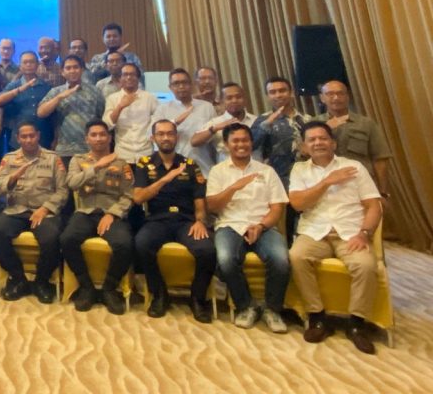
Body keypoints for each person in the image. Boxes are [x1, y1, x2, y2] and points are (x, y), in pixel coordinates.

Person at [288, 121, 383, 354]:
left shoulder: (355, 167)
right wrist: (327, 181)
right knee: (296, 256)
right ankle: (317, 317)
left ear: (333, 143)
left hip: (350, 233)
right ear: (304, 147)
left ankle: (356, 323)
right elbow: (298, 204)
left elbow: (374, 206)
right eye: (312, 140)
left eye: (322, 138)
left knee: (365, 265)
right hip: (314, 232)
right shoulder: (299, 170)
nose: (318, 143)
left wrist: (364, 233)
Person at [206, 123, 289, 333]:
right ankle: (246, 306)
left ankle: (272, 309)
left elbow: (277, 207)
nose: (241, 144)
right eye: (235, 141)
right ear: (226, 145)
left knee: (281, 260)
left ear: (252, 143)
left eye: (245, 140)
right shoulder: (217, 171)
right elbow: (213, 207)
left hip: (263, 225)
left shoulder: (266, 171)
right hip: (229, 225)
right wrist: (234, 187)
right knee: (225, 259)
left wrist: (261, 226)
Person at [133, 119, 216, 323]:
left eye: (170, 133)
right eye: (160, 134)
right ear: (153, 138)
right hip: (157, 220)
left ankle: (197, 298)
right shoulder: (144, 164)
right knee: (141, 244)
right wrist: (165, 179)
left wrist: (200, 221)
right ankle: (160, 295)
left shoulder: (190, 165)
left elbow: (199, 200)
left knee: (207, 249)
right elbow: (138, 198)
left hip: (186, 221)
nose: (166, 138)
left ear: (176, 137)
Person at [60, 120, 134, 314]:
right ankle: (86, 287)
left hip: (112, 214)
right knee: (67, 239)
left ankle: (109, 288)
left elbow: (129, 195)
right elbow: (71, 183)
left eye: (102, 134)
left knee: (125, 244)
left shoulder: (121, 163)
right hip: (85, 212)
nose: (99, 138)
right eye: (94, 135)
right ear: (87, 139)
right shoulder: (77, 160)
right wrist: (96, 167)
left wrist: (112, 214)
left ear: (109, 138)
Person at [0, 120, 68, 303]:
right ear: (17, 138)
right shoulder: (9, 159)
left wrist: (45, 208)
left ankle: (42, 281)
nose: (28, 140)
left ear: (38, 136)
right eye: (24, 137)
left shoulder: (53, 159)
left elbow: (63, 190)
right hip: (16, 210)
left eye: (31, 136)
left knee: (51, 239)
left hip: (43, 211)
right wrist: (12, 179)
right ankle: (18, 279)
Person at [318, 80, 392, 198]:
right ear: (322, 98)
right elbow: (304, 155)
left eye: (340, 93)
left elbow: (380, 158)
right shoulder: (313, 124)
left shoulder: (366, 123)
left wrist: (383, 191)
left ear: (347, 97)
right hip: (328, 188)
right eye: (330, 94)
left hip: (362, 184)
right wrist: (325, 129)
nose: (336, 97)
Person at [36, 54, 105, 168]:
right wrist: (59, 97)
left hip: (90, 148)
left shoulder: (95, 91)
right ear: (62, 72)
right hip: (65, 149)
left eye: (76, 67)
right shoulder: (56, 91)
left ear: (82, 70)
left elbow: (100, 116)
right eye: (68, 68)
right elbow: (41, 113)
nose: (72, 71)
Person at [151, 68, 217, 175]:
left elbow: (215, 139)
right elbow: (153, 136)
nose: (181, 86)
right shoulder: (162, 109)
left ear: (191, 84)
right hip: (173, 169)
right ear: (170, 87)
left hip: (203, 167)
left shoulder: (207, 107)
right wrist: (175, 122)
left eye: (184, 82)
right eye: (176, 83)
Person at [251, 76, 312, 189]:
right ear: (267, 96)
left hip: (308, 175)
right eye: (272, 92)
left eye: (282, 90)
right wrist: (266, 125)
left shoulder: (306, 119)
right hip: (278, 179)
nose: (278, 95)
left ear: (291, 93)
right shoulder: (262, 120)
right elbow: (251, 145)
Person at [191, 82, 257, 166]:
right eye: (229, 98)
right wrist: (215, 129)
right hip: (227, 172)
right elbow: (194, 141)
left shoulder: (256, 120)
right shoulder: (216, 123)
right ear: (222, 101)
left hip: (256, 170)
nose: (234, 100)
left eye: (238, 97)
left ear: (244, 99)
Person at [0, 51, 52, 149]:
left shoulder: (46, 86)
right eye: (25, 62)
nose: (28, 65)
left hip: (43, 137)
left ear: (37, 65)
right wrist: (19, 90)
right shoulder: (14, 85)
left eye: (31, 62)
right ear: (20, 66)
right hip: (19, 139)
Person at [104, 63, 159, 162]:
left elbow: (159, 122)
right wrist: (120, 106)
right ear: (120, 78)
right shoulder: (112, 98)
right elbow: (107, 125)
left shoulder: (149, 97)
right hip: (123, 154)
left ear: (138, 78)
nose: (129, 77)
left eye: (132, 74)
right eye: (125, 74)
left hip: (146, 152)